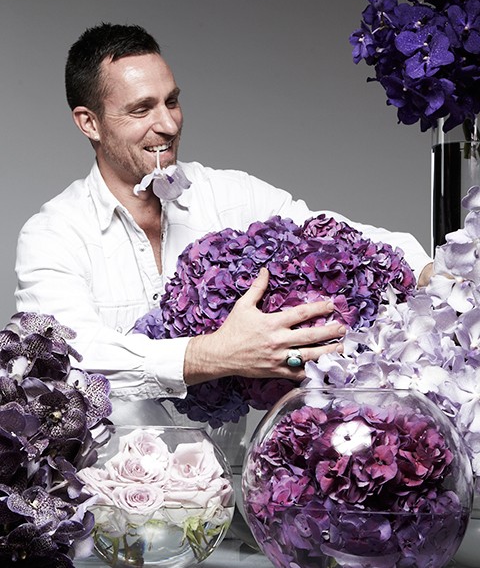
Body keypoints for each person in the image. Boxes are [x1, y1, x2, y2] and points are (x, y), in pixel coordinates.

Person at [15, 23, 432, 405]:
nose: (168, 125)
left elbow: (342, 241)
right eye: (142, 110)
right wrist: (215, 355)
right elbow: (71, 360)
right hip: (110, 463)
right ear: (89, 123)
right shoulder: (53, 234)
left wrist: (428, 272)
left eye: (172, 101)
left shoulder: (231, 195)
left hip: (231, 459)